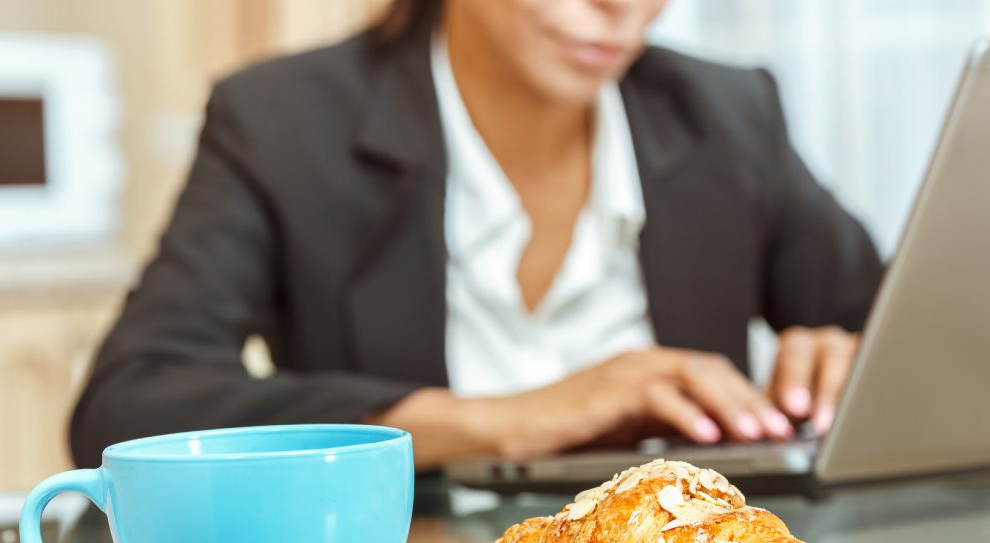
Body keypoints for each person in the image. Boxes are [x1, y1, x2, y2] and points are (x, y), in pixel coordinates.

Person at [69, 0, 883, 474]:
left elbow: (898, 336)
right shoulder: (284, 122)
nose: (620, 5)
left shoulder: (727, 113)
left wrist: (854, 360)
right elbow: (127, 406)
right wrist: (492, 421)